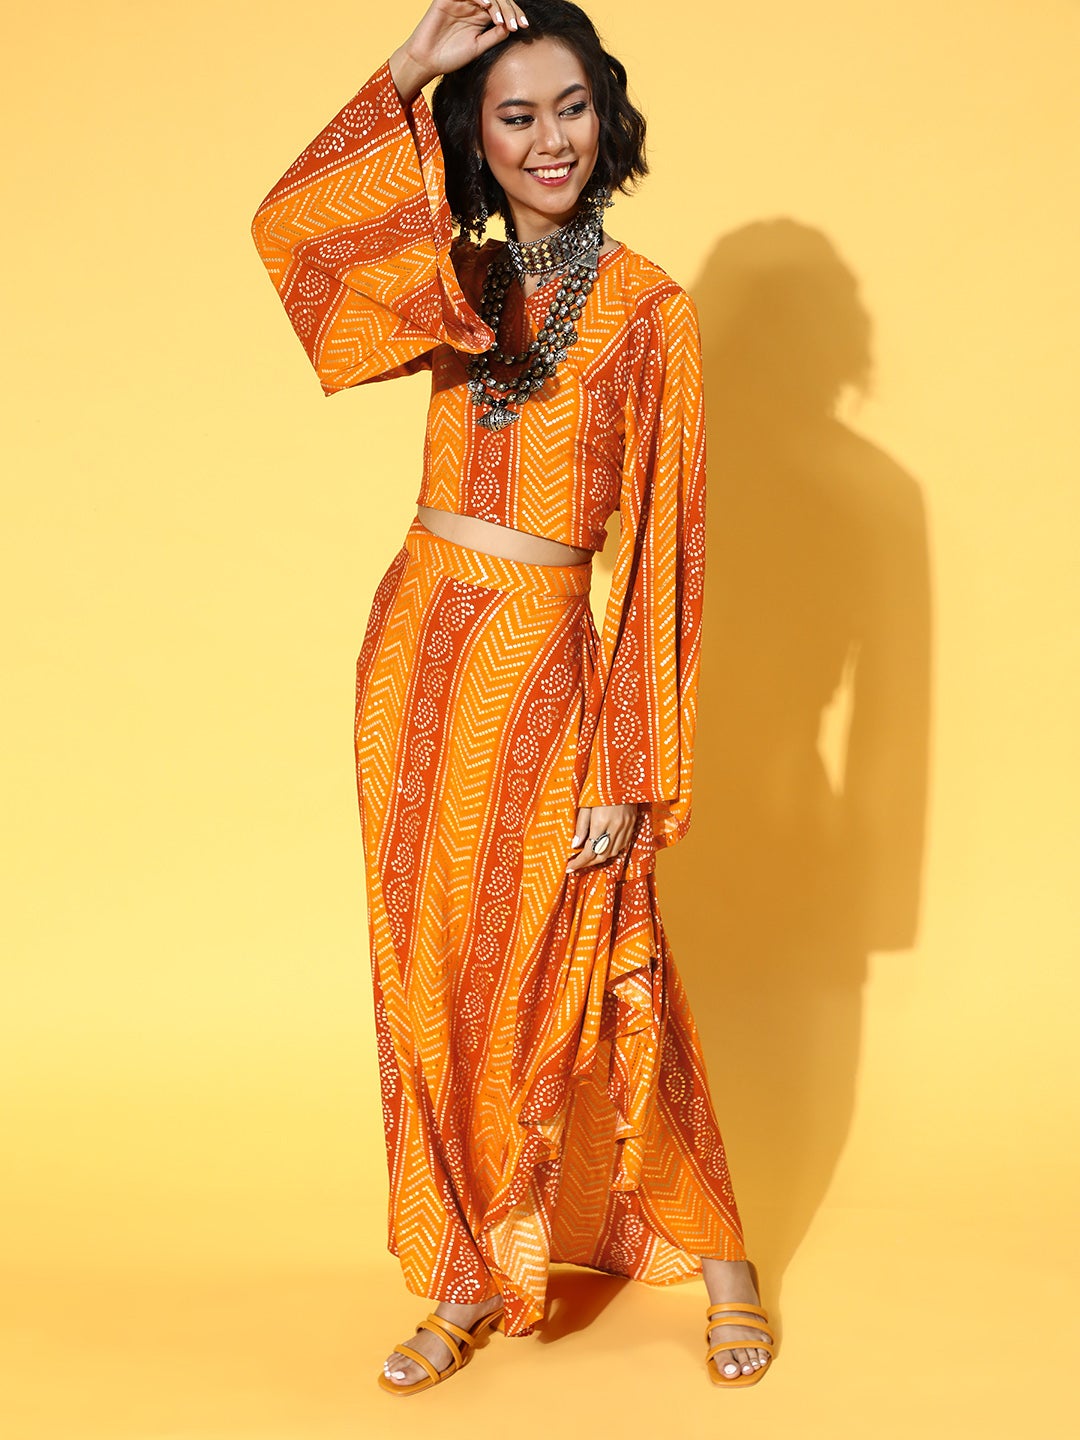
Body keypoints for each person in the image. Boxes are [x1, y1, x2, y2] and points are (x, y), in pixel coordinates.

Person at [251, 0, 775, 1395]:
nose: (551, 139)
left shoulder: (651, 312)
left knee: (595, 950)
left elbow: (665, 556)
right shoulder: (452, 283)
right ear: (474, 138)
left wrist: (630, 764)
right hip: (414, 648)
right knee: (430, 968)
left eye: (572, 107)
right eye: (516, 114)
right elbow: (297, 240)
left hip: (545, 662)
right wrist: (408, 68)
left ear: (608, 115)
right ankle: (468, 1270)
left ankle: (719, 1252)